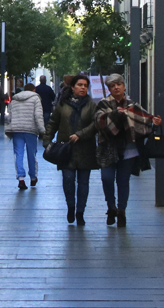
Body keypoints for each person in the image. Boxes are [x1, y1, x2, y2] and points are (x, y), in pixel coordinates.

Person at [94, 73, 161, 227]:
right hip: (108, 148)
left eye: (119, 84)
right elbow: (100, 122)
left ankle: (122, 211)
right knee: (107, 179)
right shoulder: (103, 104)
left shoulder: (132, 104)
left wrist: (154, 121)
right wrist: (117, 115)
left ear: (124, 86)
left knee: (123, 181)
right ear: (109, 88)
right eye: (112, 85)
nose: (116, 87)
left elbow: (144, 119)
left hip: (129, 150)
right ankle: (111, 207)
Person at [44, 74, 98, 225]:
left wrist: (80, 135)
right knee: (68, 180)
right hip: (65, 149)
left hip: (86, 149)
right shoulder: (63, 104)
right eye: (80, 85)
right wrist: (47, 141)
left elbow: (95, 125)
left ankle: (80, 212)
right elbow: (53, 122)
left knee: (83, 183)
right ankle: (71, 207)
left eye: (85, 86)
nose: (83, 88)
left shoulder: (91, 105)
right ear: (73, 87)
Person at [5, 83, 45, 190]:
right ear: (34, 90)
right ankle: (33, 177)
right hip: (31, 130)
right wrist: (42, 130)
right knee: (31, 154)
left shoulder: (14, 100)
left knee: (18, 154)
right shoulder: (36, 99)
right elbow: (38, 115)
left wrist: (9, 127)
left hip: (17, 130)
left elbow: (9, 116)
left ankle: (21, 178)